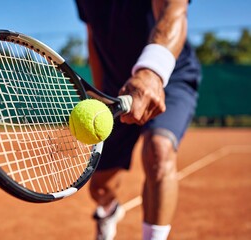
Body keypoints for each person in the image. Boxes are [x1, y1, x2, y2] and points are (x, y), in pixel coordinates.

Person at [74, 0, 201, 239]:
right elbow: (93, 37)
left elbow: (173, 9)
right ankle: (109, 211)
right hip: (116, 90)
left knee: (159, 149)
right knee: (101, 189)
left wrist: (152, 70)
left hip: (167, 76)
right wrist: (102, 93)